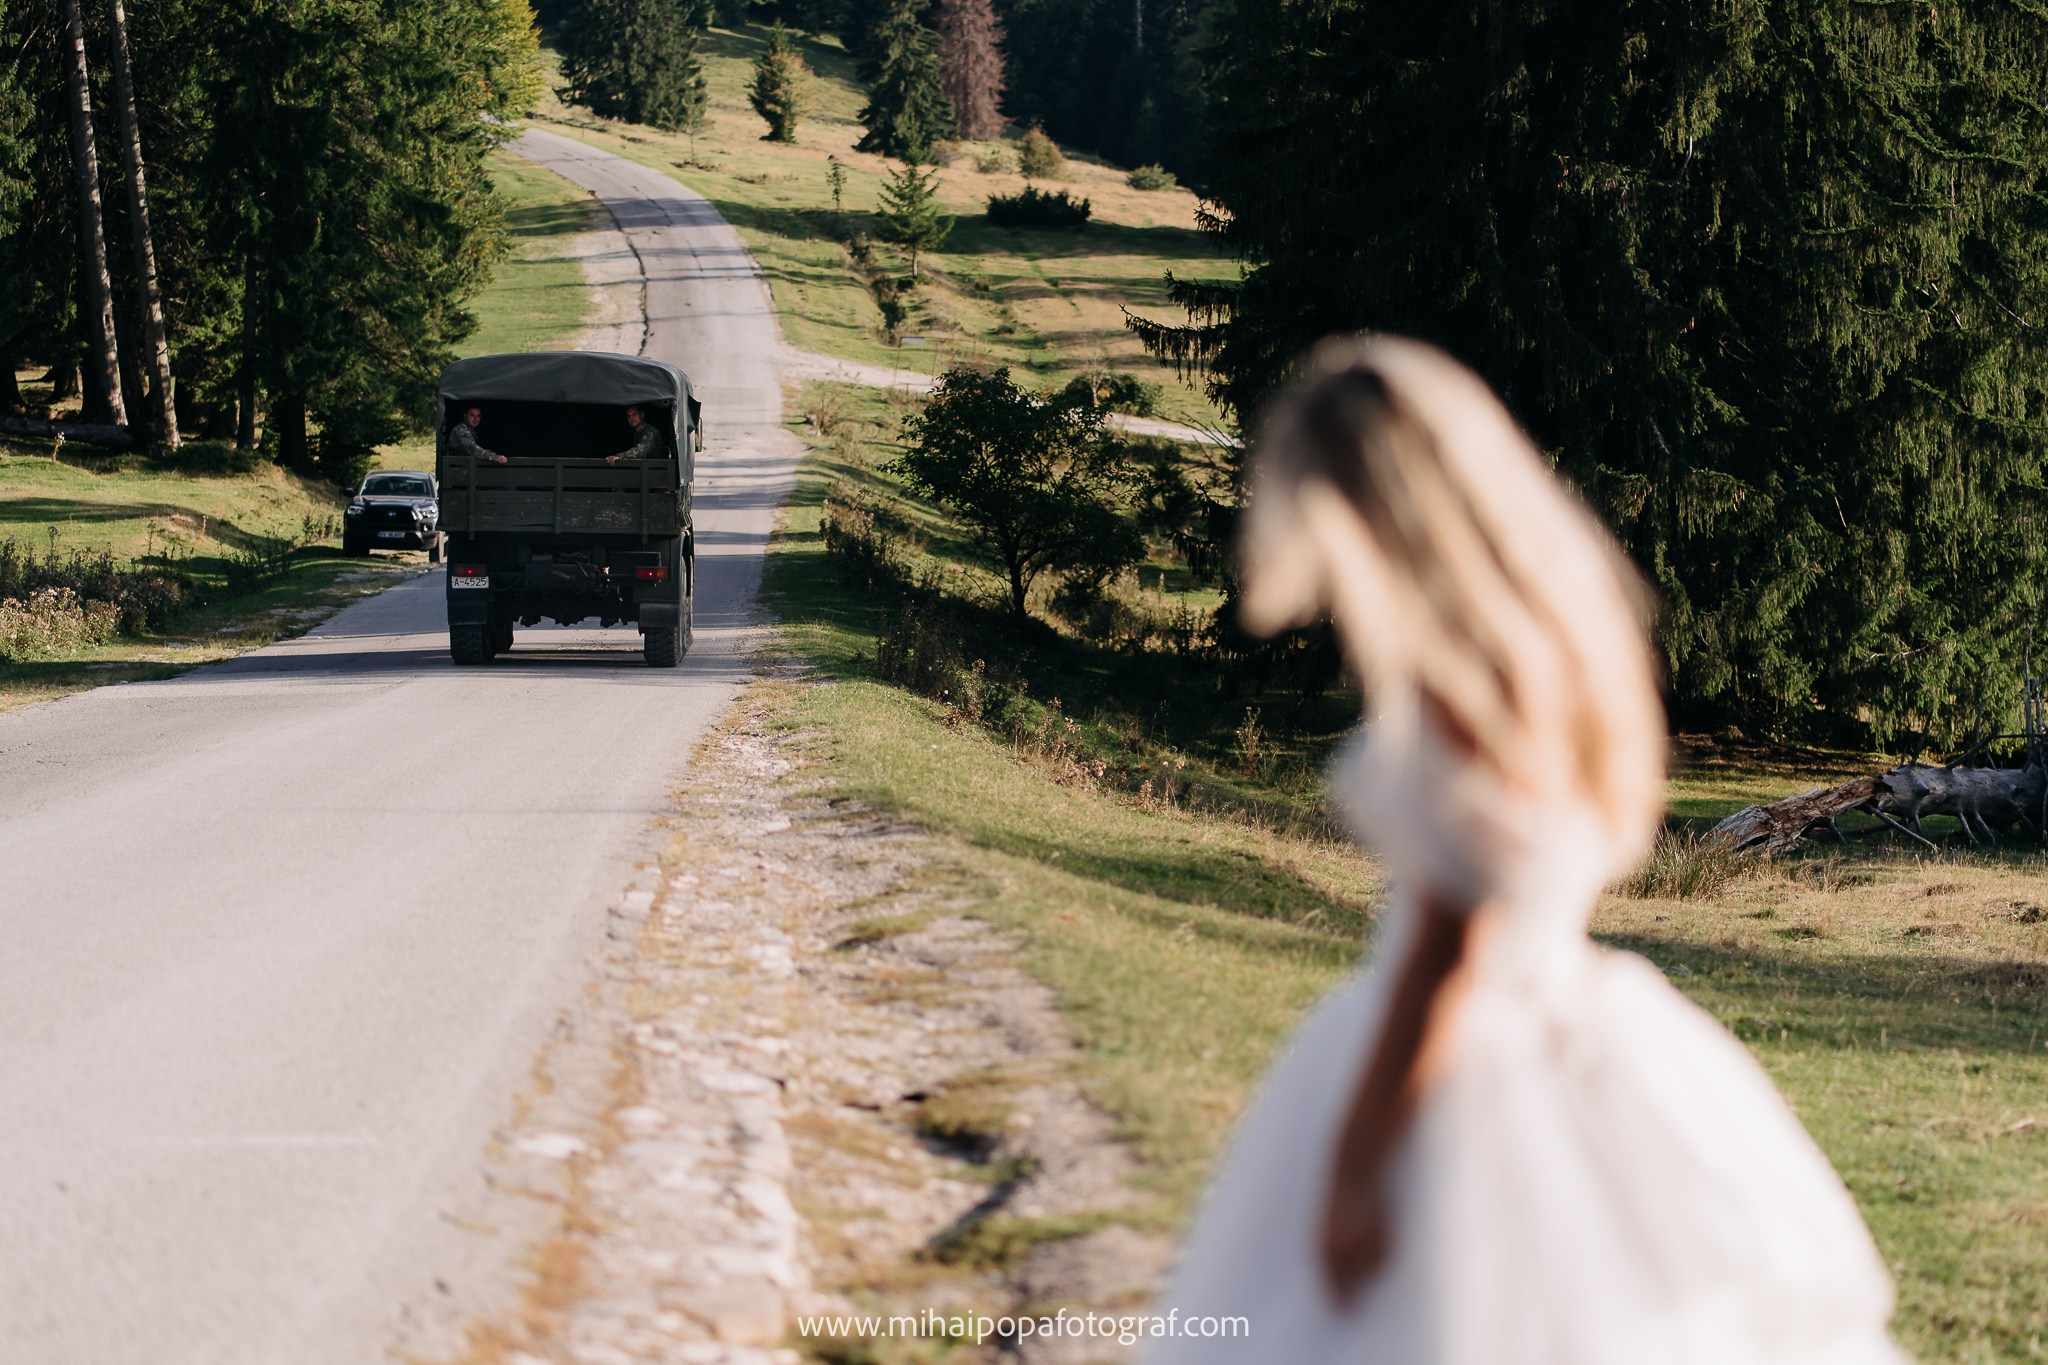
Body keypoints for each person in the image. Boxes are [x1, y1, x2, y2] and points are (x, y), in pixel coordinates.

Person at [1143, 337, 1902, 1365]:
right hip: (1578, 1025)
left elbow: (1450, 941)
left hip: (1462, 1062)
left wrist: (1359, 1160)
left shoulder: (1462, 683)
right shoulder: (1559, 646)